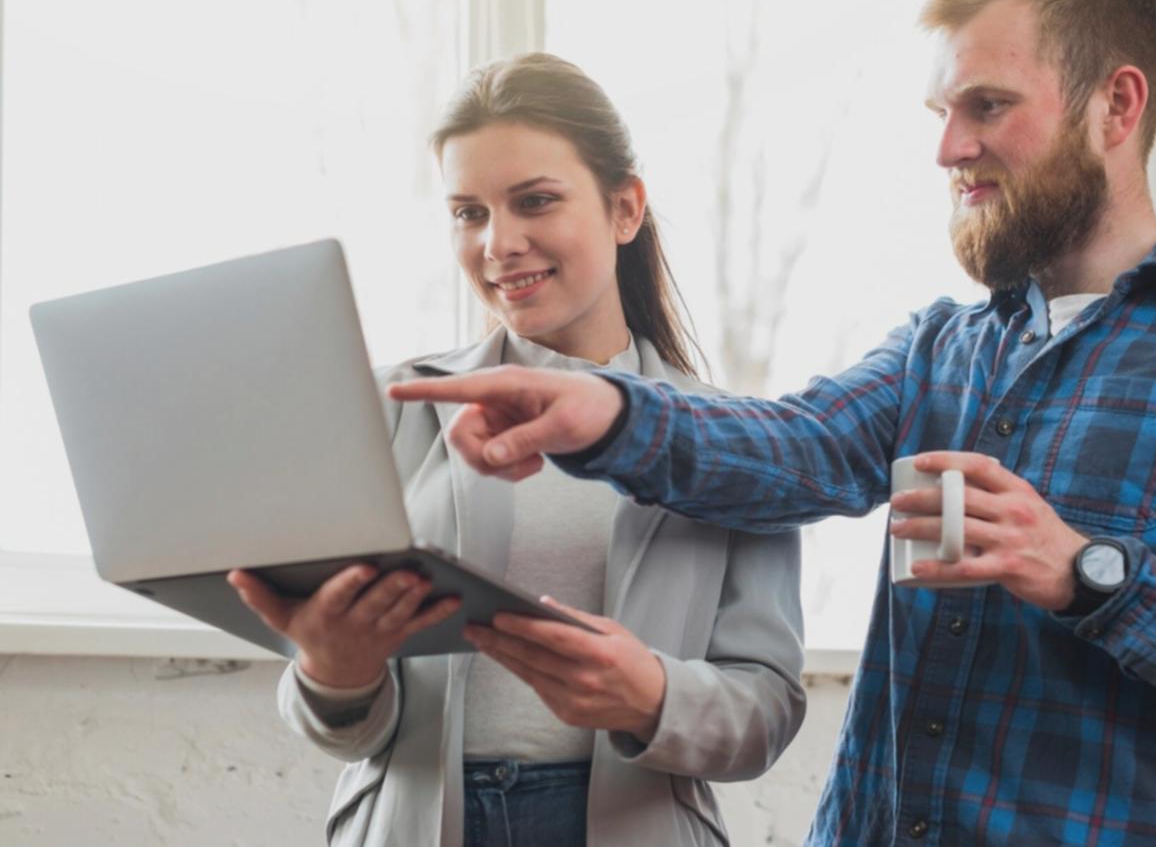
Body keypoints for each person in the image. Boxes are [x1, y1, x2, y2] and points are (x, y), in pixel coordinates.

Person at [389, 0, 1156, 844]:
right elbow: (789, 452)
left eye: (988, 107)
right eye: (942, 112)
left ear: (1118, 103)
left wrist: (1091, 573)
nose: (948, 147)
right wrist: (607, 412)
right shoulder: (941, 349)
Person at [227, 53, 806, 847]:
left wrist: (652, 694)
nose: (498, 243)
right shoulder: (388, 410)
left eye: (534, 201)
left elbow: (766, 711)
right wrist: (334, 671)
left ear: (625, 209)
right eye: (469, 213)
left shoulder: (730, 440)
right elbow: (345, 733)